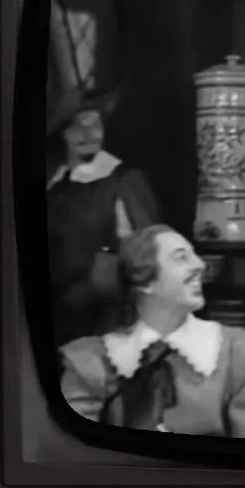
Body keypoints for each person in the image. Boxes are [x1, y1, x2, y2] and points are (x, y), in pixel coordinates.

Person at [58, 224, 245, 439]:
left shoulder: (238, 353)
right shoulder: (90, 361)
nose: (200, 265)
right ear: (144, 282)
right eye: (181, 257)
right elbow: (70, 449)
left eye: (195, 255)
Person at [46, 86, 161, 345]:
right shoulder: (55, 187)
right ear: (63, 133)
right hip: (59, 315)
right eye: (77, 126)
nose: (87, 134)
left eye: (94, 125)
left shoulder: (125, 181)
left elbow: (151, 247)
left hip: (109, 317)